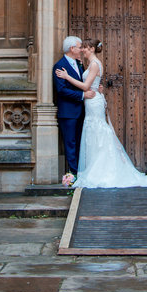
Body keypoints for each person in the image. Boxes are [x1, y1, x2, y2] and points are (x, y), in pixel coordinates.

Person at [55, 38, 147, 188]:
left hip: (93, 102)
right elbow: (85, 85)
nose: (83, 50)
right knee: (92, 134)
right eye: (81, 48)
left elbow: (86, 85)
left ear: (92, 49)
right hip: (88, 103)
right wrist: (94, 88)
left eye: (85, 48)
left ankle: (102, 170)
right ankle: (90, 168)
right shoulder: (81, 64)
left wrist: (69, 78)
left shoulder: (94, 64)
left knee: (98, 132)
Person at [52, 35, 95, 183]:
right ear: (72, 48)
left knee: (79, 142)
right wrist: (82, 95)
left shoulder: (79, 63)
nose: (82, 49)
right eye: (79, 47)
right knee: (70, 144)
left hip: (81, 111)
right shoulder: (59, 66)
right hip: (68, 112)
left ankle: (80, 172)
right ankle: (74, 175)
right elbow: (62, 90)